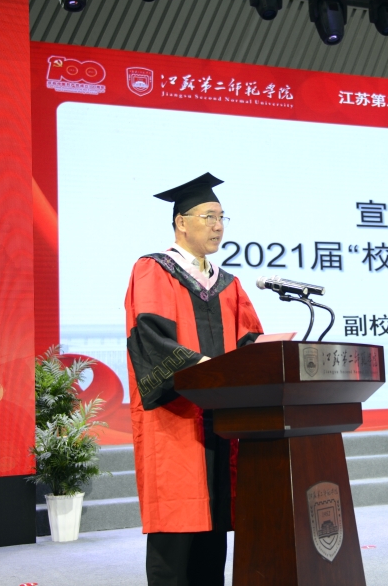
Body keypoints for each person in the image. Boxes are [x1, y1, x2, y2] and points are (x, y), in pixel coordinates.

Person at [125, 172, 263, 586]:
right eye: (208, 217)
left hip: (219, 424)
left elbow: (249, 341)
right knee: (176, 528)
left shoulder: (229, 285)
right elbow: (150, 337)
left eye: (222, 217)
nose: (218, 226)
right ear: (181, 222)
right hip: (176, 420)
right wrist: (204, 367)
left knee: (213, 532)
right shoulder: (153, 270)